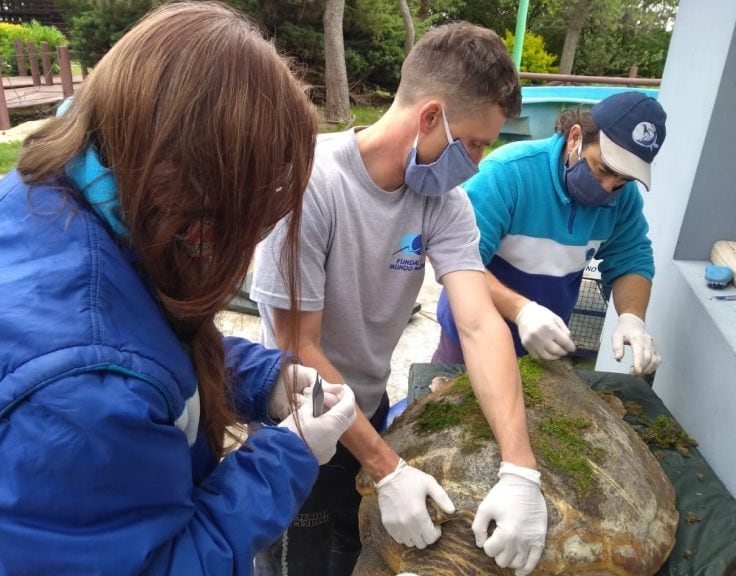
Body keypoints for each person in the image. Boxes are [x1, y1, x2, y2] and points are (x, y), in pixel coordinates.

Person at [0, 3, 357, 574]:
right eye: (246, 213)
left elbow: (140, 335)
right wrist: (285, 458)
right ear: (195, 191)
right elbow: (158, 564)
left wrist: (261, 379)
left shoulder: (63, 188)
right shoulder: (81, 397)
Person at [251, 22, 547, 576]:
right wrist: (386, 468)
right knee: (299, 563)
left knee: (354, 550)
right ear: (431, 117)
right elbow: (296, 346)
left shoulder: (444, 202)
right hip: (300, 422)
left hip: (367, 407)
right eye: (476, 143)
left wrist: (520, 468)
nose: (478, 162)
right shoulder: (308, 185)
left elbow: (480, 325)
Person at [433, 91, 667, 376]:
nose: (609, 187)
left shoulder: (623, 197)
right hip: (471, 333)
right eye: (603, 169)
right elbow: (460, 261)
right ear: (576, 138)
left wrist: (632, 318)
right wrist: (522, 310)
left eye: (623, 179)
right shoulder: (507, 173)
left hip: (545, 345)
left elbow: (632, 257)